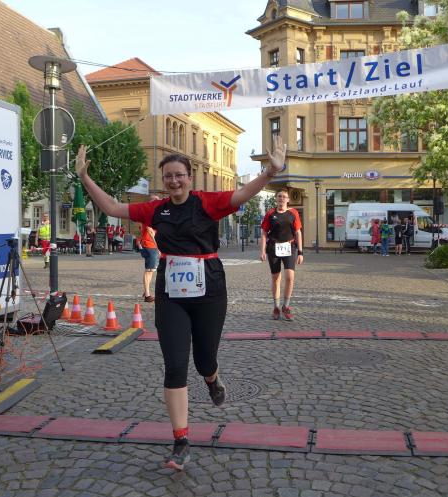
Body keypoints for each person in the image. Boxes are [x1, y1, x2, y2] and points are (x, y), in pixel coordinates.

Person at [76, 137, 286, 471]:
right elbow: (113, 208)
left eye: (179, 175)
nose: (174, 181)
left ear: (189, 177)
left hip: (209, 289)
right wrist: (85, 178)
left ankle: (212, 379)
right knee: (175, 364)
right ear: (164, 180)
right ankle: (181, 441)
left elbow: (243, 194)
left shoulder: (207, 202)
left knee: (204, 359)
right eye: (168, 176)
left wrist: (270, 173)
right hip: (171, 294)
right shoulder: (156, 209)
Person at [260, 189, 303, 320]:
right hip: (273, 248)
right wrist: (262, 251)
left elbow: (298, 232)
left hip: (289, 247)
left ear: (288, 200)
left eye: (284, 197)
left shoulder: (293, 213)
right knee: (276, 278)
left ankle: (286, 306)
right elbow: (264, 233)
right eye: (279, 196)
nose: (281, 198)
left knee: (290, 277)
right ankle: (276, 307)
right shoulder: (270, 213)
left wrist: (300, 252)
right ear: (276, 198)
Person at [140, 195, 161, 303]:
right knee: (149, 270)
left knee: (151, 270)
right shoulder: (148, 215)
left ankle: (146, 289)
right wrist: (158, 247)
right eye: (155, 201)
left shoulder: (153, 215)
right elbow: (151, 231)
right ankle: (147, 295)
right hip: (149, 245)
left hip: (151, 245)